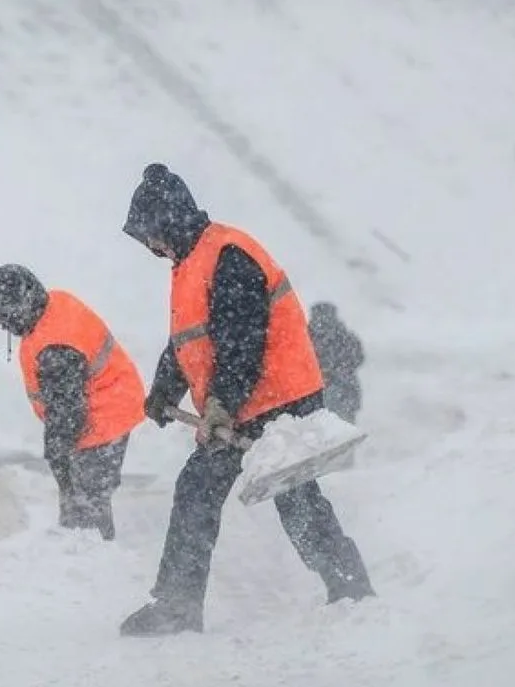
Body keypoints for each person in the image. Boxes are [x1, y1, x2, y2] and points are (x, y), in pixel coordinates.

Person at [117, 163, 375, 636]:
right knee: (233, 492)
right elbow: (186, 342)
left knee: (283, 495)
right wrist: (163, 391)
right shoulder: (190, 263)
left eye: (150, 235)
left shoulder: (228, 254)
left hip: (279, 400)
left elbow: (242, 343)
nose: (151, 248)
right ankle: (347, 585)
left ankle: (348, 587)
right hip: (246, 401)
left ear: (168, 222)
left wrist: (220, 404)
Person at [0, 263, 146, 541]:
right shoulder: (53, 304)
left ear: (22, 302)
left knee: (84, 509)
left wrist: (57, 452)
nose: (1, 323)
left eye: (3, 313)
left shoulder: (55, 345)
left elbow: (68, 413)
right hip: (110, 402)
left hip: (103, 416)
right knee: (85, 501)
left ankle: (91, 562)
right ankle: (91, 553)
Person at [308, 301, 366, 425]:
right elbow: (358, 358)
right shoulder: (345, 336)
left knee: (317, 422)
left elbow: (357, 358)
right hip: (340, 389)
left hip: (324, 389)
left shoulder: (305, 337)